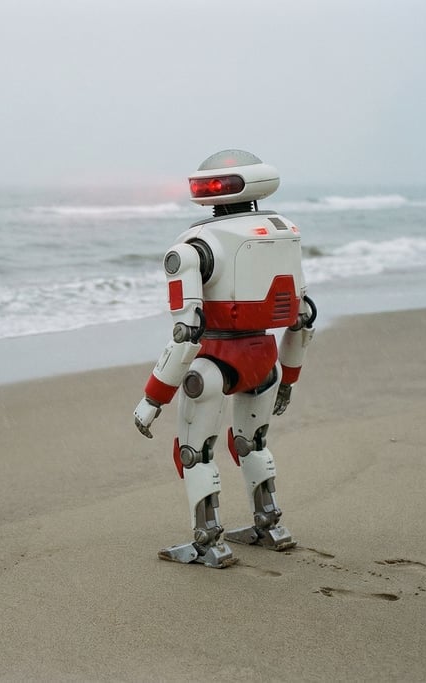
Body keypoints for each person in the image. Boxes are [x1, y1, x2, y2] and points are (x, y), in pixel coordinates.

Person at [133, 150, 316, 568]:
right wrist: (289, 377)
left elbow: (187, 330)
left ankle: (207, 540)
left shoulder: (193, 246)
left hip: (215, 360)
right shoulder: (282, 231)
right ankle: (269, 523)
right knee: (252, 442)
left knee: (195, 451)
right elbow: (303, 315)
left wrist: (152, 400)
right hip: (264, 358)